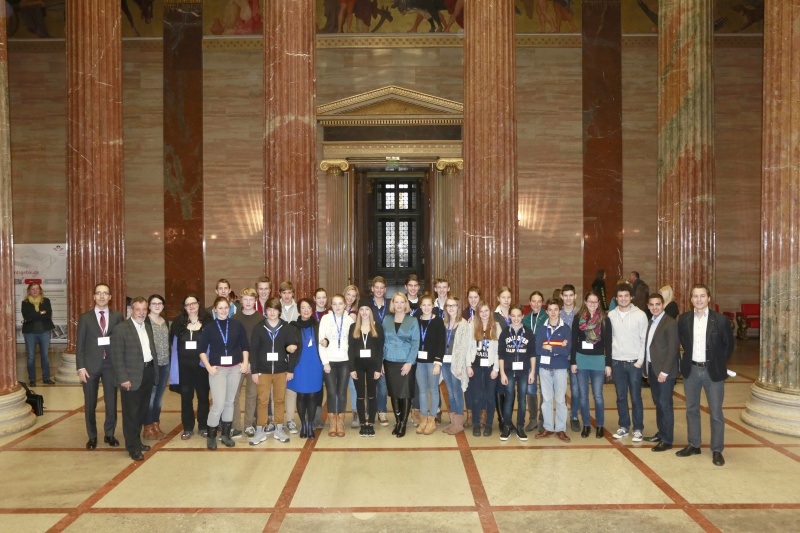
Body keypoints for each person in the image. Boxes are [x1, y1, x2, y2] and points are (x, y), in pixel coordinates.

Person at [676, 284, 734, 466]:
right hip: (691, 370)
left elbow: (729, 345)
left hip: (712, 371)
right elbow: (683, 342)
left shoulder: (721, 320)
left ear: (709, 298)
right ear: (691, 299)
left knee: (716, 412)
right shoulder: (684, 319)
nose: (699, 299)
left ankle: (717, 449)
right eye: (695, 296)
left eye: (702, 296)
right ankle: (694, 444)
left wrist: (718, 363)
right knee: (691, 409)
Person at [76, 283, 124, 450]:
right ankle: (92, 436)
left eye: (105, 293)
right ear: (94, 296)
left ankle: (109, 434)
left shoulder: (118, 316)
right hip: (90, 366)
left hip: (111, 365)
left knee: (111, 402)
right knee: (90, 403)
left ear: (110, 297)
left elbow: (121, 342)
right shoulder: (85, 318)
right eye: (98, 293)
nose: (102, 296)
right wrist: (80, 367)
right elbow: (80, 344)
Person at [198, 297, 250, 450]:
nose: (223, 310)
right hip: (217, 370)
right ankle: (212, 435)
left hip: (235, 368)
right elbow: (201, 350)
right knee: (218, 404)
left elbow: (245, 346)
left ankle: (226, 435)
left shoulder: (237, 325)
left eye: (226, 307)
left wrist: (245, 362)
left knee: (230, 402)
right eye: (220, 308)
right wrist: (208, 367)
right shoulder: (209, 328)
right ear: (214, 309)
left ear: (230, 308)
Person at [110, 297, 157, 461]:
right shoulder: (121, 329)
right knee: (131, 414)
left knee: (141, 412)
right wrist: (123, 378)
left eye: (144, 309)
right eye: (138, 309)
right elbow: (116, 357)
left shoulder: (147, 326)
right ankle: (132, 448)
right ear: (131, 310)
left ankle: (137, 441)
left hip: (147, 373)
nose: (142, 313)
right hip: (130, 378)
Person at [248, 297, 299, 445]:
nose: (272, 313)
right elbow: (254, 350)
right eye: (269, 310)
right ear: (265, 311)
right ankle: (260, 430)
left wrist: (290, 370)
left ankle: (278, 428)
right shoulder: (259, 327)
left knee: (279, 400)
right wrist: (254, 371)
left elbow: (292, 348)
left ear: (279, 311)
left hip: (281, 370)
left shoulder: (287, 327)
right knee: (262, 400)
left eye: (275, 310)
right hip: (263, 371)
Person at [606, 284, 648, 443]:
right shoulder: (611, 315)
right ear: (616, 298)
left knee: (636, 397)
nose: (623, 299)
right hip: (617, 362)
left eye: (626, 295)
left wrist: (640, 361)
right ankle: (624, 425)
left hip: (634, 363)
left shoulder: (641, 315)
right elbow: (609, 341)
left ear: (631, 297)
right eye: (620, 296)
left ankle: (638, 428)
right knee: (620, 396)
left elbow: (644, 340)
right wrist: (609, 362)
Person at [169, 293, 212, 440]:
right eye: (188, 304)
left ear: (199, 304)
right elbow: (172, 343)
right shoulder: (177, 323)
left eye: (193, 303)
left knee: (203, 397)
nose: (191, 306)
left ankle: (203, 426)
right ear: (184, 307)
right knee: (186, 398)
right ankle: (187, 427)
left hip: (202, 367)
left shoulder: (208, 321)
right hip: (184, 368)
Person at [455, 301, 501, 437]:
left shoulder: (496, 327)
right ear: (477, 313)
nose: (484, 314)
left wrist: (496, 368)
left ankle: (488, 425)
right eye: (481, 311)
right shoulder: (472, 326)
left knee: (489, 397)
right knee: (476, 397)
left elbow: (499, 350)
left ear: (490, 312)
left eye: (486, 311)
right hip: (475, 366)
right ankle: (476, 424)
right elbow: (468, 348)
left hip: (490, 367)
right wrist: (468, 365)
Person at [570, 291, 611, 439]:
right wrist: (573, 361)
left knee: (598, 396)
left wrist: (608, 364)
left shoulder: (605, 320)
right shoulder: (577, 319)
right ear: (585, 302)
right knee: (583, 396)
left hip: (598, 361)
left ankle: (600, 425)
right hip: (581, 360)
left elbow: (608, 344)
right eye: (590, 302)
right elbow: (574, 342)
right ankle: (586, 425)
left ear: (598, 303)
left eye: (595, 302)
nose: (593, 305)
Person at [644, 293, 680, 452]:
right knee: (658, 403)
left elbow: (673, 349)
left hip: (664, 372)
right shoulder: (651, 321)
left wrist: (664, 372)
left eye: (657, 304)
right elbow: (649, 347)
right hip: (652, 369)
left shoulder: (670, 323)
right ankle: (661, 433)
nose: (654, 307)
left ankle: (667, 439)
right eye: (651, 305)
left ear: (663, 304)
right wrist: (647, 369)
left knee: (665, 405)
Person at [382, 292, 420, 438]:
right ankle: (397, 421)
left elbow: (416, 342)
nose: (399, 305)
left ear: (405, 304)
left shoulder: (412, 320)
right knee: (394, 394)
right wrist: (381, 362)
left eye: (401, 302)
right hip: (389, 361)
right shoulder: (387, 319)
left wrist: (410, 362)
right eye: (396, 302)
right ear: (392, 304)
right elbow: (382, 341)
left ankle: (403, 423)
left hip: (406, 362)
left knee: (405, 394)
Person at [535, 298, 571, 442]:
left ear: (560, 311)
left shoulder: (566, 329)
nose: (553, 312)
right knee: (547, 399)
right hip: (544, 368)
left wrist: (549, 347)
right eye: (550, 310)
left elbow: (567, 350)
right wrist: (558, 348)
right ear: (547, 311)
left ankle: (561, 429)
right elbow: (538, 349)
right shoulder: (543, 329)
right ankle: (548, 427)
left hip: (561, 368)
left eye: (556, 309)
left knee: (561, 400)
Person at [498, 305, 536, 441]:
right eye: (513, 316)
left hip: (524, 372)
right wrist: (502, 373)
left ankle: (520, 426)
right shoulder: (504, 333)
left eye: (518, 315)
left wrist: (532, 372)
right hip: (508, 371)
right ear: (509, 317)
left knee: (522, 400)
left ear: (522, 316)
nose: (515, 318)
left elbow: (532, 354)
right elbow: (501, 354)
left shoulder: (529, 332)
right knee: (508, 399)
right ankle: (507, 426)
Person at [319, 294, 355, 437]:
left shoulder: (349, 320)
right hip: (330, 361)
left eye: (340, 303)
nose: (338, 306)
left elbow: (352, 343)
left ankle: (340, 421)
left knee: (341, 392)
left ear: (345, 305)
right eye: (334, 304)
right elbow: (321, 341)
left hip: (345, 361)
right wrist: (325, 362)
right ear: (331, 305)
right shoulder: (325, 319)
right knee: (331, 392)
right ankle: (332, 421)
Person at [231, 288, 266, 438]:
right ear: (241, 300)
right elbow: (232, 342)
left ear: (255, 300)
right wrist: (239, 361)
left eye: (251, 299)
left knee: (252, 395)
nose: (248, 302)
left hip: (254, 364)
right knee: (234, 395)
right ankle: (236, 426)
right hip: (237, 363)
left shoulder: (260, 318)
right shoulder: (235, 318)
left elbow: (262, 344)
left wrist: (252, 362)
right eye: (245, 299)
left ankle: (248, 424)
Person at [348, 298, 385, 437]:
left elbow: (380, 349)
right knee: (359, 396)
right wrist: (351, 368)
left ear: (371, 311)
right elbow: (350, 349)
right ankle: (363, 423)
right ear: (359, 312)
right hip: (357, 366)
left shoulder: (377, 326)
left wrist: (377, 368)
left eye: (367, 309)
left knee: (371, 395)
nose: (364, 312)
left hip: (372, 366)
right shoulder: (353, 327)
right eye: (362, 309)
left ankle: (370, 423)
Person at [290, 298, 324, 439]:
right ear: (299, 310)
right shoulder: (292, 326)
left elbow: (326, 339)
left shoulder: (318, 325)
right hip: (299, 364)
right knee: (301, 394)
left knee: (312, 395)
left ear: (312, 310)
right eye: (303, 307)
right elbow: (286, 344)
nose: (306, 310)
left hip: (315, 364)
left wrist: (326, 341)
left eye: (309, 308)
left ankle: (310, 424)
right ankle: (303, 424)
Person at [415, 294, 446, 435]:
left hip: (433, 362)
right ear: (420, 306)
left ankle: (432, 419)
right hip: (419, 362)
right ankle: (423, 419)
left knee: (433, 390)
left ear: (433, 306)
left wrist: (438, 363)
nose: (426, 307)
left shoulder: (438, 321)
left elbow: (441, 343)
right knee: (421, 391)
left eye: (429, 305)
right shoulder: (416, 320)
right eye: (424, 305)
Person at [142, 294, 170, 441]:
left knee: (159, 397)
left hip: (165, 364)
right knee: (151, 397)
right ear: (149, 306)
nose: (157, 306)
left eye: (160, 303)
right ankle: (147, 427)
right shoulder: (145, 321)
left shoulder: (165, 321)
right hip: (152, 365)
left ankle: (155, 424)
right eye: (154, 303)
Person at [441, 297, 469, 435]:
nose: (451, 308)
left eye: (454, 305)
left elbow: (464, 347)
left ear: (458, 307)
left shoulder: (463, 324)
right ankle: (453, 422)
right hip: (445, 363)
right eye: (448, 305)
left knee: (457, 393)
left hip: (456, 364)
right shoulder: (444, 323)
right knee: (450, 392)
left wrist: (458, 367)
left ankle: (458, 423)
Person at [21, 282, 56, 386]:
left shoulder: (46, 301)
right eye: (33, 289)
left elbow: (48, 315)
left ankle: (46, 378)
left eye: (37, 289)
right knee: (31, 356)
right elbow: (27, 316)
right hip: (30, 333)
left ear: (40, 290)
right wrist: (41, 313)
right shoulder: (25, 302)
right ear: (29, 291)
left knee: (44, 356)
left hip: (44, 332)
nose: (35, 291)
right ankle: (32, 379)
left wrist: (35, 315)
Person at [522, 291, 546, 431]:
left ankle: (543, 419)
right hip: (529, 359)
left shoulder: (547, 317)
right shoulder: (525, 319)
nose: (536, 304)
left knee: (544, 390)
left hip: (543, 359)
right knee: (530, 389)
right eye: (533, 301)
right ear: (530, 303)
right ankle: (532, 419)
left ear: (542, 302)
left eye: (539, 301)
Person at [560, 284, 582, 433]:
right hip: (560, 357)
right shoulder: (555, 313)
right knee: (560, 389)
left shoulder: (580, 314)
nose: (568, 298)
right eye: (565, 295)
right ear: (561, 296)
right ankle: (560, 418)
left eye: (570, 295)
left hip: (575, 357)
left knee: (576, 389)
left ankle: (574, 416)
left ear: (575, 296)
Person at [370, 276, 391, 427]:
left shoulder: (391, 305)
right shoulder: (366, 306)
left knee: (383, 384)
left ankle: (381, 411)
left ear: (385, 289)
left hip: (387, 348)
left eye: (381, 287)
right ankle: (369, 411)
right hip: (370, 349)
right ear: (372, 289)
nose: (379, 290)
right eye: (376, 287)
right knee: (369, 384)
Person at [493, 286, 513, 430]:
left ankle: (508, 419)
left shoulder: (515, 314)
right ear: (498, 298)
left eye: (509, 297)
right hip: (499, 356)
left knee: (510, 389)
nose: (506, 300)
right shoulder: (494, 316)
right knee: (500, 388)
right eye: (503, 297)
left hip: (514, 358)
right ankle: (501, 419)